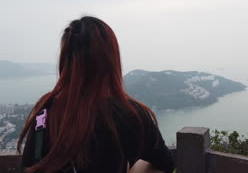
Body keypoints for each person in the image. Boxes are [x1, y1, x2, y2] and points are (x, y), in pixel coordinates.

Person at [18, 16, 175, 173]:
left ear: (66, 58)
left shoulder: (46, 109)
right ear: (111, 59)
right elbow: (166, 164)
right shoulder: (129, 114)